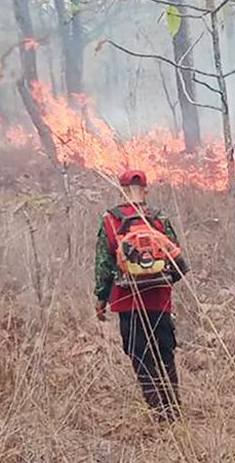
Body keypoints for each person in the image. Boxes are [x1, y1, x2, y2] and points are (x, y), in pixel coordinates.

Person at [94, 169, 189, 421]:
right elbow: (177, 258)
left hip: (126, 301)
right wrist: (166, 282)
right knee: (165, 352)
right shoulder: (159, 218)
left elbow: (103, 264)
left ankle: (158, 410)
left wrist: (101, 298)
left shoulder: (110, 220)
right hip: (160, 299)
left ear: (121, 190)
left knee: (138, 353)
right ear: (145, 190)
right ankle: (174, 407)